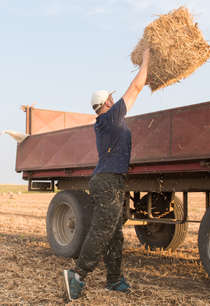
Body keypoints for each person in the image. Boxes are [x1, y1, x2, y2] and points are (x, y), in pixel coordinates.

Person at [63, 48, 151, 301]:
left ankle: (114, 280)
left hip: (111, 180)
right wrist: (146, 60)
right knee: (102, 229)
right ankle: (77, 275)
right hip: (108, 182)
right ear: (108, 104)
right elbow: (135, 88)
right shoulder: (110, 118)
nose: (116, 100)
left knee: (114, 232)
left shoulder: (107, 122)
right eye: (112, 98)